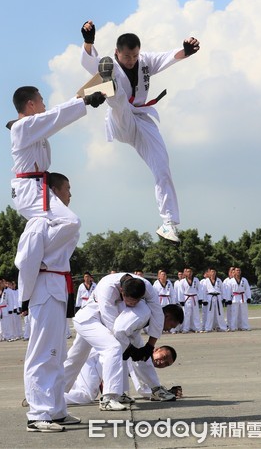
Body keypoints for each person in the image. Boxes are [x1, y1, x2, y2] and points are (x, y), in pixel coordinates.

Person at [80, 20, 200, 243]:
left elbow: (168, 57)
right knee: (117, 96)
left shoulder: (145, 62)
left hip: (143, 121)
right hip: (121, 120)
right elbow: (89, 64)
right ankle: (109, 85)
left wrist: (186, 50)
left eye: (135, 56)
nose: (131, 60)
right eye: (127, 56)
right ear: (117, 52)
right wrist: (88, 42)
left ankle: (169, 223)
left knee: (162, 165)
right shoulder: (112, 64)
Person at [14, 173, 82, 432]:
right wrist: (24, 297)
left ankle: (56, 409)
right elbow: (27, 263)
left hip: (56, 287)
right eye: (67, 189)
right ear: (52, 191)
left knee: (57, 353)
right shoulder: (38, 223)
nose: (70, 195)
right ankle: (38, 413)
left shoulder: (56, 223)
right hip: (43, 288)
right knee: (41, 353)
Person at [64, 273, 164, 411]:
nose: (132, 305)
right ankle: (108, 398)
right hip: (90, 319)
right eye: (129, 300)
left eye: (136, 302)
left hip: (102, 321)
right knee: (113, 348)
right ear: (121, 291)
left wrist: (150, 345)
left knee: (75, 357)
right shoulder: (107, 287)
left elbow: (158, 313)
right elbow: (113, 326)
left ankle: (51, 394)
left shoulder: (146, 286)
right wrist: (130, 349)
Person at [7, 86, 105, 225]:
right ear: (31, 104)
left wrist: (80, 100)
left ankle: (41, 248)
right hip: (30, 192)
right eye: (41, 100)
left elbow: (56, 116)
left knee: (45, 228)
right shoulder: (24, 126)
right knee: (70, 222)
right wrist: (85, 101)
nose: (44, 104)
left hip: (37, 188)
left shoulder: (32, 129)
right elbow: (56, 116)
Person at [64, 345, 182, 405]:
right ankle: (52, 397)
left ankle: (52, 392)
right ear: (157, 349)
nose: (162, 362)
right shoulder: (141, 355)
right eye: (164, 357)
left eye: (166, 364)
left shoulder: (147, 364)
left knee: (73, 386)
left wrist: (166, 392)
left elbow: (145, 385)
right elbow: (141, 387)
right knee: (86, 395)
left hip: (96, 361)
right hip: (92, 360)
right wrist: (164, 394)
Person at [177, 267, 202, 333]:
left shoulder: (196, 280)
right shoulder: (182, 281)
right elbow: (180, 291)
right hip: (186, 298)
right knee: (186, 314)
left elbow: (199, 289)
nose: (189, 273)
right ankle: (185, 329)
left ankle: (198, 328)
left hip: (194, 298)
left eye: (190, 272)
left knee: (196, 314)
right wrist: (181, 300)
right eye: (187, 272)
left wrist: (200, 299)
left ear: (192, 272)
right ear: (185, 273)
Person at [229, 267, 252, 331]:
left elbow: (247, 289)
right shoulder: (231, 281)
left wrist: (249, 297)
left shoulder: (244, 280)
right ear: (234, 272)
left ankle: (245, 326)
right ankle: (233, 327)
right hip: (235, 297)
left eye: (239, 270)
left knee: (244, 313)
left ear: (240, 272)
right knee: (234, 313)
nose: (238, 271)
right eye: (237, 270)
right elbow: (229, 290)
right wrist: (228, 299)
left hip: (243, 297)